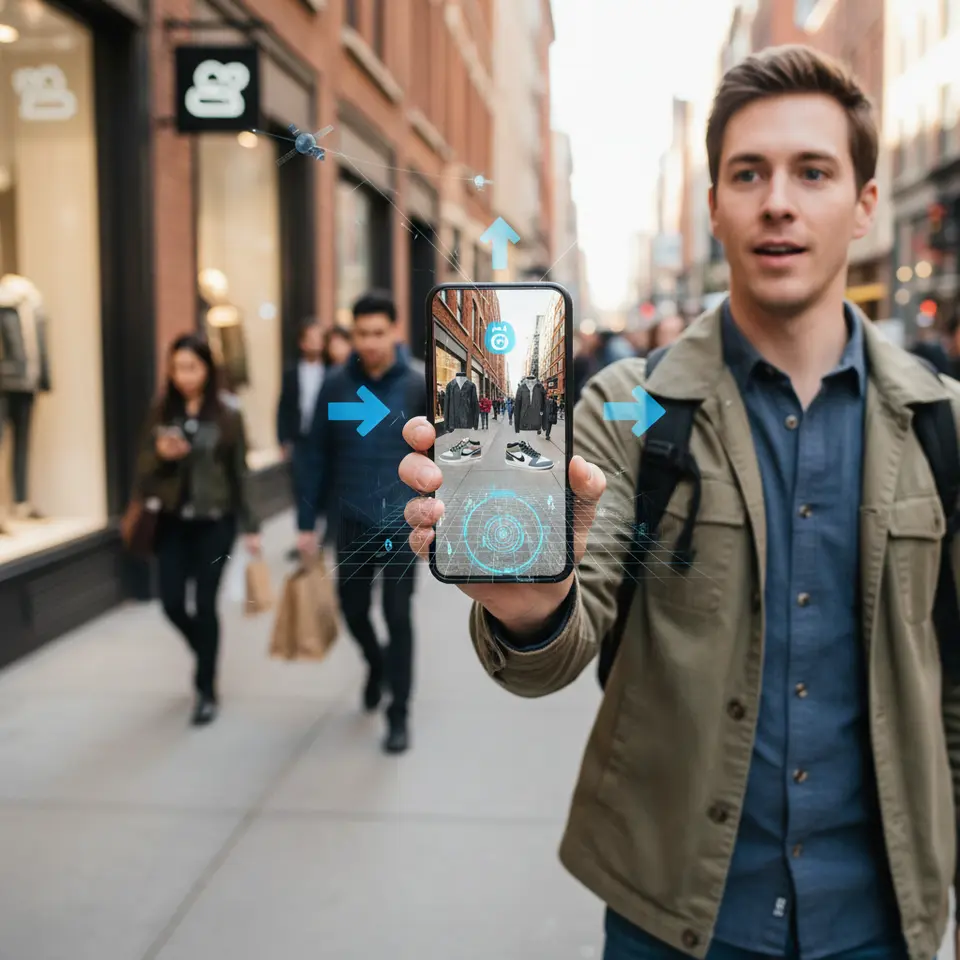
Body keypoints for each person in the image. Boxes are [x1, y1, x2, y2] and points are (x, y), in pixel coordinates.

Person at [398, 45, 960, 960]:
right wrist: (533, 607)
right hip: (675, 915)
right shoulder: (629, 408)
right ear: (712, 207)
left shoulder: (941, 422)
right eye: (749, 173)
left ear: (864, 203)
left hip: (880, 922)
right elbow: (554, 655)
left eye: (812, 171)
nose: (778, 199)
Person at [297, 290, 425, 754]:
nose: (369, 343)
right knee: (352, 610)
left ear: (394, 331)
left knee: (397, 615)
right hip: (349, 520)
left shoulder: (417, 385)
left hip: (401, 523)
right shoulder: (336, 386)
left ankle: (399, 714)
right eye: (361, 334)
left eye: (378, 332)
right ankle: (376, 664)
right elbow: (314, 454)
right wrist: (305, 520)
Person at [134, 333, 260, 726]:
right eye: (176, 368)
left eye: (191, 367)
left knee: (205, 606)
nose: (183, 376)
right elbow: (141, 470)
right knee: (172, 603)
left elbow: (240, 471)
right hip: (171, 522)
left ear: (207, 369)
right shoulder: (161, 410)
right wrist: (160, 454)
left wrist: (251, 525)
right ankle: (204, 652)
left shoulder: (227, 412)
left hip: (214, 522)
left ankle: (205, 688)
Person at [277, 320, 326, 559]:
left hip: (326, 441)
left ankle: (326, 535)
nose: (315, 344)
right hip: (301, 439)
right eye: (310, 338)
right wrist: (283, 439)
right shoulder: (291, 372)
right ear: (301, 343)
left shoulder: (331, 371)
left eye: (319, 338)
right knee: (303, 489)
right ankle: (305, 538)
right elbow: (283, 407)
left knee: (325, 486)